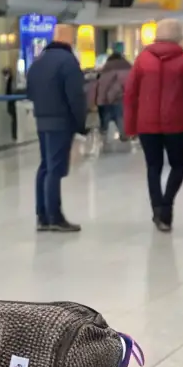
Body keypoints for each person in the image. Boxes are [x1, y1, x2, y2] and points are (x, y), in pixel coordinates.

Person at [124, 18, 183, 232]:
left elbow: (130, 94)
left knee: (153, 167)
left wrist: (130, 126)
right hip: (177, 124)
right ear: (178, 37)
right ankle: (166, 207)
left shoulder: (143, 60)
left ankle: (157, 209)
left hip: (146, 124)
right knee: (178, 166)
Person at [25, 23, 87, 233]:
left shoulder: (39, 61)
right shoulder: (68, 62)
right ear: (70, 39)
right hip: (61, 121)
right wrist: (80, 123)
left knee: (45, 166)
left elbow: (30, 91)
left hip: (42, 119)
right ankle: (55, 217)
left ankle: (42, 216)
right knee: (55, 169)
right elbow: (75, 96)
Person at [95, 45, 131, 141]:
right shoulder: (129, 67)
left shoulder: (108, 68)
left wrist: (100, 101)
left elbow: (103, 86)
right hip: (125, 98)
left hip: (110, 99)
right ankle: (125, 136)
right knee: (121, 117)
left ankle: (104, 134)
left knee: (107, 119)